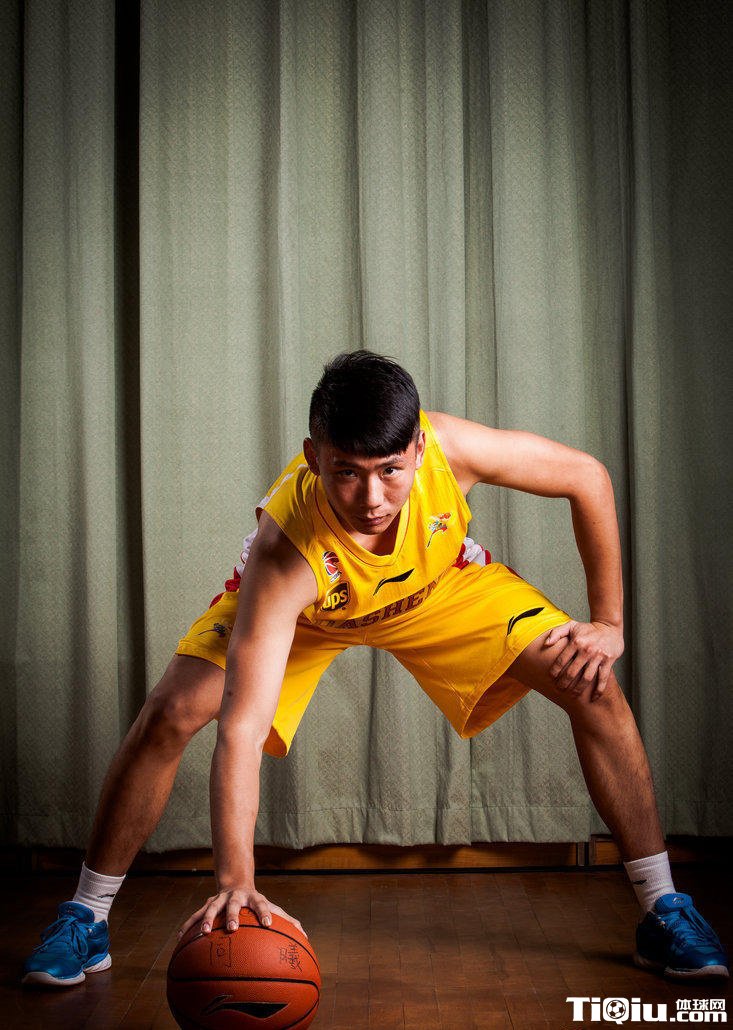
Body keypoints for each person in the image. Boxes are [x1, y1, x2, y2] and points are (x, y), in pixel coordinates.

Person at [23, 351, 727, 987]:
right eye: (347, 473)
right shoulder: (284, 553)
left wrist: (608, 622)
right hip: (310, 614)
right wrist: (236, 879)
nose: (371, 500)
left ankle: (662, 908)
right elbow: (241, 729)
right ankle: (87, 917)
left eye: (390, 470)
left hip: (437, 590)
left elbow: (586, 477)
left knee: (590, 680)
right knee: (172, 712)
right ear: (314, 457)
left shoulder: (452, 449)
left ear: (418, 448)